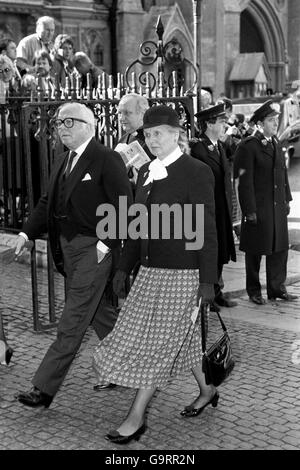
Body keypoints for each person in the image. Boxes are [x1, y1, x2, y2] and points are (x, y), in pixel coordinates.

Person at [93, 105, 219, 444]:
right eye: (148, 135)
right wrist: (123, 268)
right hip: (150, 273)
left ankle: (136, 417)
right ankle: (207, 390)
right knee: (180, 338)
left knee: (157, 344)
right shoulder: (147, 170)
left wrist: (208, 280)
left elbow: (206, 229)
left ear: (176, 134)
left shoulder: (196, 171)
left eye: (158, 133)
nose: (152, 140)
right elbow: (137, 226)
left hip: (183, 275)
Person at [13, 102, 133, 408]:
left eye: (69, 122)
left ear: (88, 126)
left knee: (73, 319)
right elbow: (46, 201)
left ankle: (44, 388)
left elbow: (125, 207)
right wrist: (26, 233)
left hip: (94, 251)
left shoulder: (107, 159)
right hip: (67, 251)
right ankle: (132, 360)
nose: (61, 129)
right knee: (97, 313)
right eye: (58, 123)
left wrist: (104, 246)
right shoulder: (63, 160)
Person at [234, 99, 297, 304]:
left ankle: (276, 288)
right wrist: (249, 210)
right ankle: (254, 290)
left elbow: (282, 173)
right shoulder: (248, 146)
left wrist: (287, 198)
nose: (275, 123)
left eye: (276, 120)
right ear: (260, 123)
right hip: (259, 207)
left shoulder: (276, 142)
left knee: (279, 249)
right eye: (271, 120)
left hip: (277, 206)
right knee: (255, 251)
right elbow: (244, 181)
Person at [190, 103, 237, 313]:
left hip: (221, 209)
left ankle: (217, 292)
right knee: (211, 251)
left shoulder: (218, 146)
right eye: (221, 121)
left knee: (220, 251)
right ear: (209, 124)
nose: (225, 125)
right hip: (209, 210)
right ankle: (209, 294)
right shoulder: (199, 148)